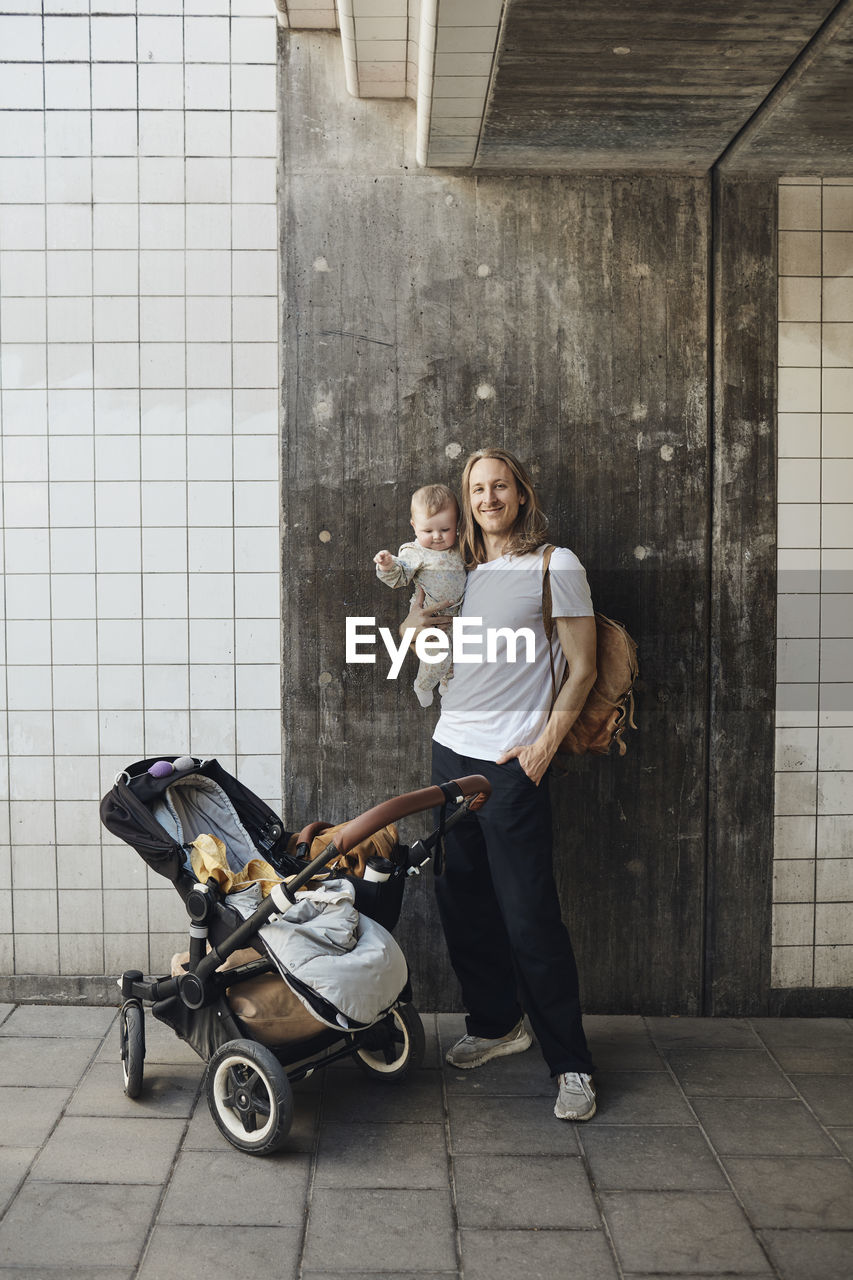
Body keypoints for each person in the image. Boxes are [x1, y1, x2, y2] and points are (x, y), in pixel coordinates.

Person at [402, 448, 598, 1121]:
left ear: (520, 493)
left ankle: (570, 1063)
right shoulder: (460, 571)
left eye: (499, 487)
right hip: (449, 756)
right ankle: (495, 1025)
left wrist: (544, 746)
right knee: (463, 903)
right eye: (476, 489)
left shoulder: (554, 565)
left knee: (530, 917)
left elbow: (581, 667)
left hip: (512, 769)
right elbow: (423, 649)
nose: (487, 498)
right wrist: (416, 626)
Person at [374, 483, 466, 708]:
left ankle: (446, 684)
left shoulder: (460, 547)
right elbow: (402, 573)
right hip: (429, 620)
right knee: (439, 657)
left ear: (456, 525)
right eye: (428, 531)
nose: (437, 536)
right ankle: (423, 685)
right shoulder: (416, 551)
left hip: (457, 615)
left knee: (458, 658)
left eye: (445, 529)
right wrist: (388, 565)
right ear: (414, 527)